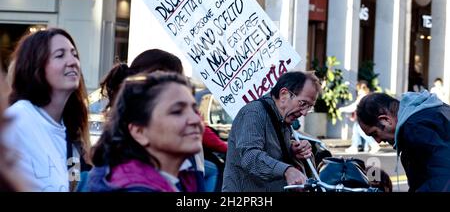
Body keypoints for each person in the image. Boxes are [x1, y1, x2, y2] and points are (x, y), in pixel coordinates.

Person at [96, 48, 205, 191]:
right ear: (139, 131)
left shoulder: (184, 175)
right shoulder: (133, 187)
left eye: (194, 109)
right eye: (177, 111)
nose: (195, 120)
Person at [3, 28, 91, 192]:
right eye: (60, 55)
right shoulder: (18, 119)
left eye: (74, 54)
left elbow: (73, 186)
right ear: (36, 66)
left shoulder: (71, 133)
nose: (72, 61)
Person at [222, 71, 321, 192]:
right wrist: (287, 170)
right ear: (284, 94)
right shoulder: (253, 113)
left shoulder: (284, 119)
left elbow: (271, 149)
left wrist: (293, 150)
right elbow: (250, 157)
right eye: (303, 103)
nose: (305, 113)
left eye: (309, 107)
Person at [357, 91, 450, 192]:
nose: (378, 141)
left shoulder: (414, 129)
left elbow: (441, 178)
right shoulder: (434, 109)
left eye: (374, 133)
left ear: (386, 120)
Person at [340, 81, 379, 154]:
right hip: (366, 117)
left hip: (363, 118)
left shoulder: (362, 97)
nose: (357, 91)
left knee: (361, 131)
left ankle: (373, 144)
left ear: (362, 88)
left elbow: (353, 107)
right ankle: (359, 146)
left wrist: (342, 109)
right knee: (356, 130)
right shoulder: (367, 96)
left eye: (358, 89)